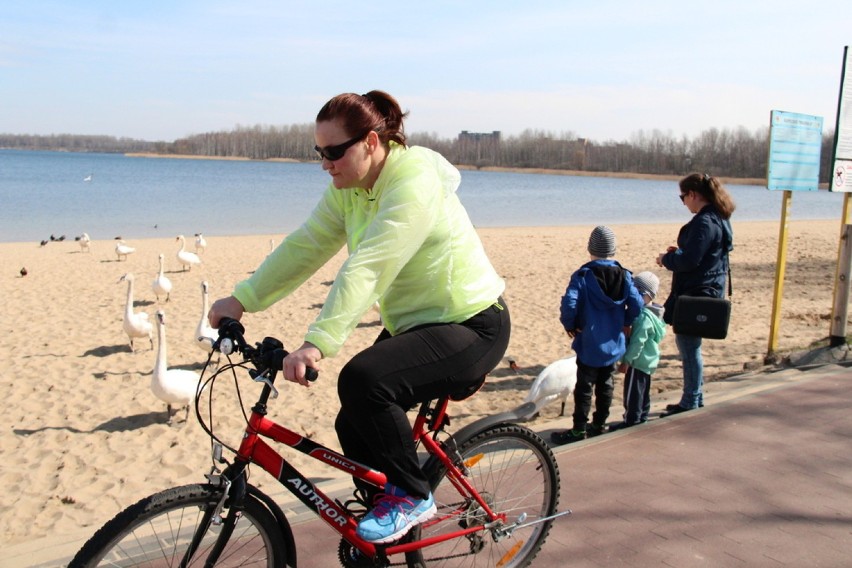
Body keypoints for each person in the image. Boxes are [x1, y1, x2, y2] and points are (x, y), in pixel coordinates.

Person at [208, 90, 510, 544]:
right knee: (353, 420)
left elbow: (369, 266)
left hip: (471, 322)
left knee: (363, 381)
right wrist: (242, 299)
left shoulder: (413, 182)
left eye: (334, 152)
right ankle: (386, 520)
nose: (326, 164)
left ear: (371, 142)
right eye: (318, 153)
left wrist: (317, 342)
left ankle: (411, 496)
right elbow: (305, 245)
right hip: (415, 324)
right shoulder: (351, 190)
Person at [551, 226, 644, 444]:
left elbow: (569, 303)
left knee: (584, 388)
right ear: (614, 250)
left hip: (589, 343)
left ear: (589, 249)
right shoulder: (625, 276)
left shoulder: (583, 275)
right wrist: (626, 322)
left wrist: (570, 324)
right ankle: (598, 425)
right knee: (606, 385)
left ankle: (578, 429)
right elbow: (638, 304)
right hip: (613, 342)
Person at [656, 173, 734, 415]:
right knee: (692, 347)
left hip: (697, 292)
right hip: (708, 289)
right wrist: (680, 252)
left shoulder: (705, 221)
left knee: (689, 347)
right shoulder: (719, 218)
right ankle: (695, 396)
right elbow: (703, 255)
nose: (684, 203)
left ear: (693, 195)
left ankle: (691, 399)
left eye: (683, 197)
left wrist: (666, 259)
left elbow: (690, 261)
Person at [610, 271, 666, 431]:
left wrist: (627, 361)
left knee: (633, 392)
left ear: (645, 295)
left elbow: (638, 342)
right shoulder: (655, 315)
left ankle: (631, 420)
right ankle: (642, 416)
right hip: (649, 360)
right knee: (643, 390)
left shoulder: (643, 317)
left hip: (638, 361)